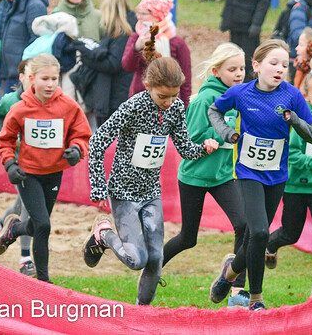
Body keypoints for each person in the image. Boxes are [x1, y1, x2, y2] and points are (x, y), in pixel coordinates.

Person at [85, 29, 218, 305]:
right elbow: (97, 141)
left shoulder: (176, 109)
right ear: (148, 86)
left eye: (172, 96)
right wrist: (98, 184)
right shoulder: (133, 107)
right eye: (162, 96)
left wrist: (204, 148)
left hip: (151, 192)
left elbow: (185, 149)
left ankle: (142, 313)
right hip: (123, 191)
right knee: (137, 259)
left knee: (156, 258)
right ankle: (103, 235)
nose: (168, 102)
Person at [207, 39, 312, 311]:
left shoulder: (292, 95)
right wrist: (226, 133)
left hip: (276, 176)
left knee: (257, 237)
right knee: (258, 232)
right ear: (256, 66)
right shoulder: (241, 93)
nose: (280, 69)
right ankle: (256, 299)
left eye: (284, 64)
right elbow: (214, 110)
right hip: (247, 172)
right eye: (273, 63)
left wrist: (295, 121)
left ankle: (230, 272)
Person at [160, 43, 249, 307]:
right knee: (189, 238)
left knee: (244, 226)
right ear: (216, 70)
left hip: (222, 175)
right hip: (194, 177)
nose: (238, 73)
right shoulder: (203, 100)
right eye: (232, 69)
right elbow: (188, 139)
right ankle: (153, 269)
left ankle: (236, 289)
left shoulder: (239, 97)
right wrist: (211, 140)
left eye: (242, 68)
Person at [0, 54, 91, 282]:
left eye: (54, 79)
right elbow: (4, 139)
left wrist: (76, 149)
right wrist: (9, 164)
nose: (50, 84)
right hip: (28, 174)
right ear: (32, 79)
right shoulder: (19, 109)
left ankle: (14, 230)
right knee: (43, 225)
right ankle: (44, 282)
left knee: (38, 224)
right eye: (44, 78)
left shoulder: (68, 106)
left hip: (54, 172)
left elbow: (81, 133)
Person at [266, 70, 312, 295]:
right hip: (296, 187)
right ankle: (269, 244)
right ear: (306, 96)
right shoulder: (301, 120)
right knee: (291, 234)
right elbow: (294, 156)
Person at [0, 59, 36, 276]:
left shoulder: (47, 101)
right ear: (21, 77)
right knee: (28, 206)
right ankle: (25, 258)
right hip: (17, 159)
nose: (35, 81)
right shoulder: (10, 100)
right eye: (31, 76)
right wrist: (5, 138)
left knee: (20, 204)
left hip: (38, 159)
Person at [71, 0, 134, 126]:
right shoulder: (117, 31)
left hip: (116, 96)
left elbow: (113, 64)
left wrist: (87, 58)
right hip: (114, 93)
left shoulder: (122, 33)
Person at [0, 0, 49, 95]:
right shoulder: (11, 3)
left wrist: (25, 72)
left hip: (22, 76)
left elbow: (37, 42)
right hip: (9, 73)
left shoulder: (34, 6)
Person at [122, 0, 191, 104]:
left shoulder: (176, 42)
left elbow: (186, 78)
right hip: (140, 99)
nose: (138, 17)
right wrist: (136, 47)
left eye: (144, 14)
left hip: (170, 101)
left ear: (157, 16)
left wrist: (186, 107)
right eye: (138, 13)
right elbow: (127, 66)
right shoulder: (136, 37)